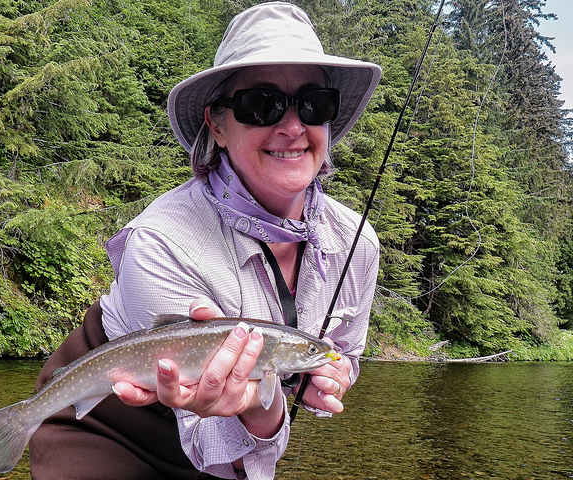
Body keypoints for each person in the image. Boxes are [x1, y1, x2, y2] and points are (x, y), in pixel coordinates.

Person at [29, 2, 381, 479]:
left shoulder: (356, 243)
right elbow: (212, 439)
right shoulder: (161, 240)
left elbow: (343, 356)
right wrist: (264, 409)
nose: (293, 126)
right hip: (108, 427)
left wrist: (317, 380)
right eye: (263, 104)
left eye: (314, 104)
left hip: (235, 437)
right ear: (217, 124)